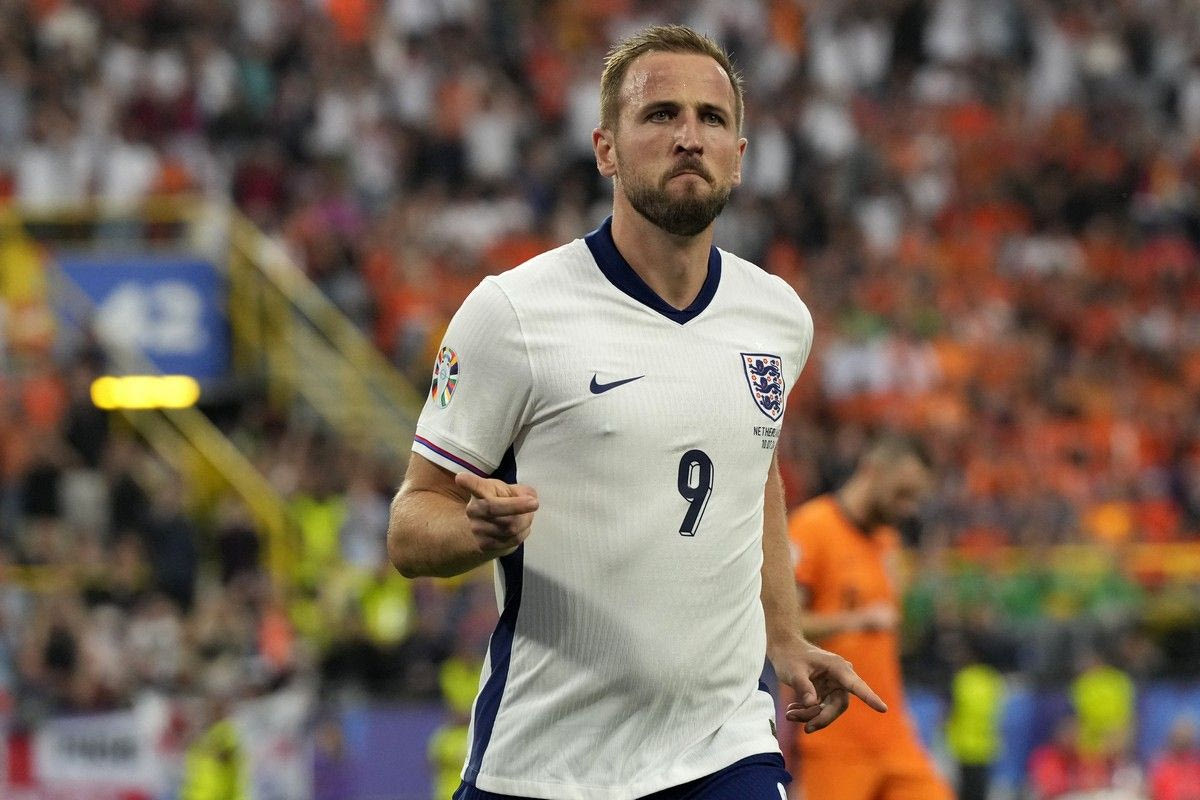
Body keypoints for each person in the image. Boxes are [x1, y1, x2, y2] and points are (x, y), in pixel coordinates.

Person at [387, 23, 886, 800]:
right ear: (606, 149)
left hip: (724, 751)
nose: (689, 137)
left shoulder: (778, 316)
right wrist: (474, 531)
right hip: (548, 765)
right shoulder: (514, 314)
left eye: (711, 119)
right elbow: (409, 526)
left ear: (739, 157)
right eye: (660, 115)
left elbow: (752, 472)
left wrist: (784, 634)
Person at [784, 434, 954, 800]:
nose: (909, 508)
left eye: (915, 498)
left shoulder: (886, 541)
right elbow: (786, 630)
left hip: (894, 734)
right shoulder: (812, 526)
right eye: (902, 494)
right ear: (872, 470)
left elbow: (895, 635)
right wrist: (857, 620)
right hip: (836, 739)